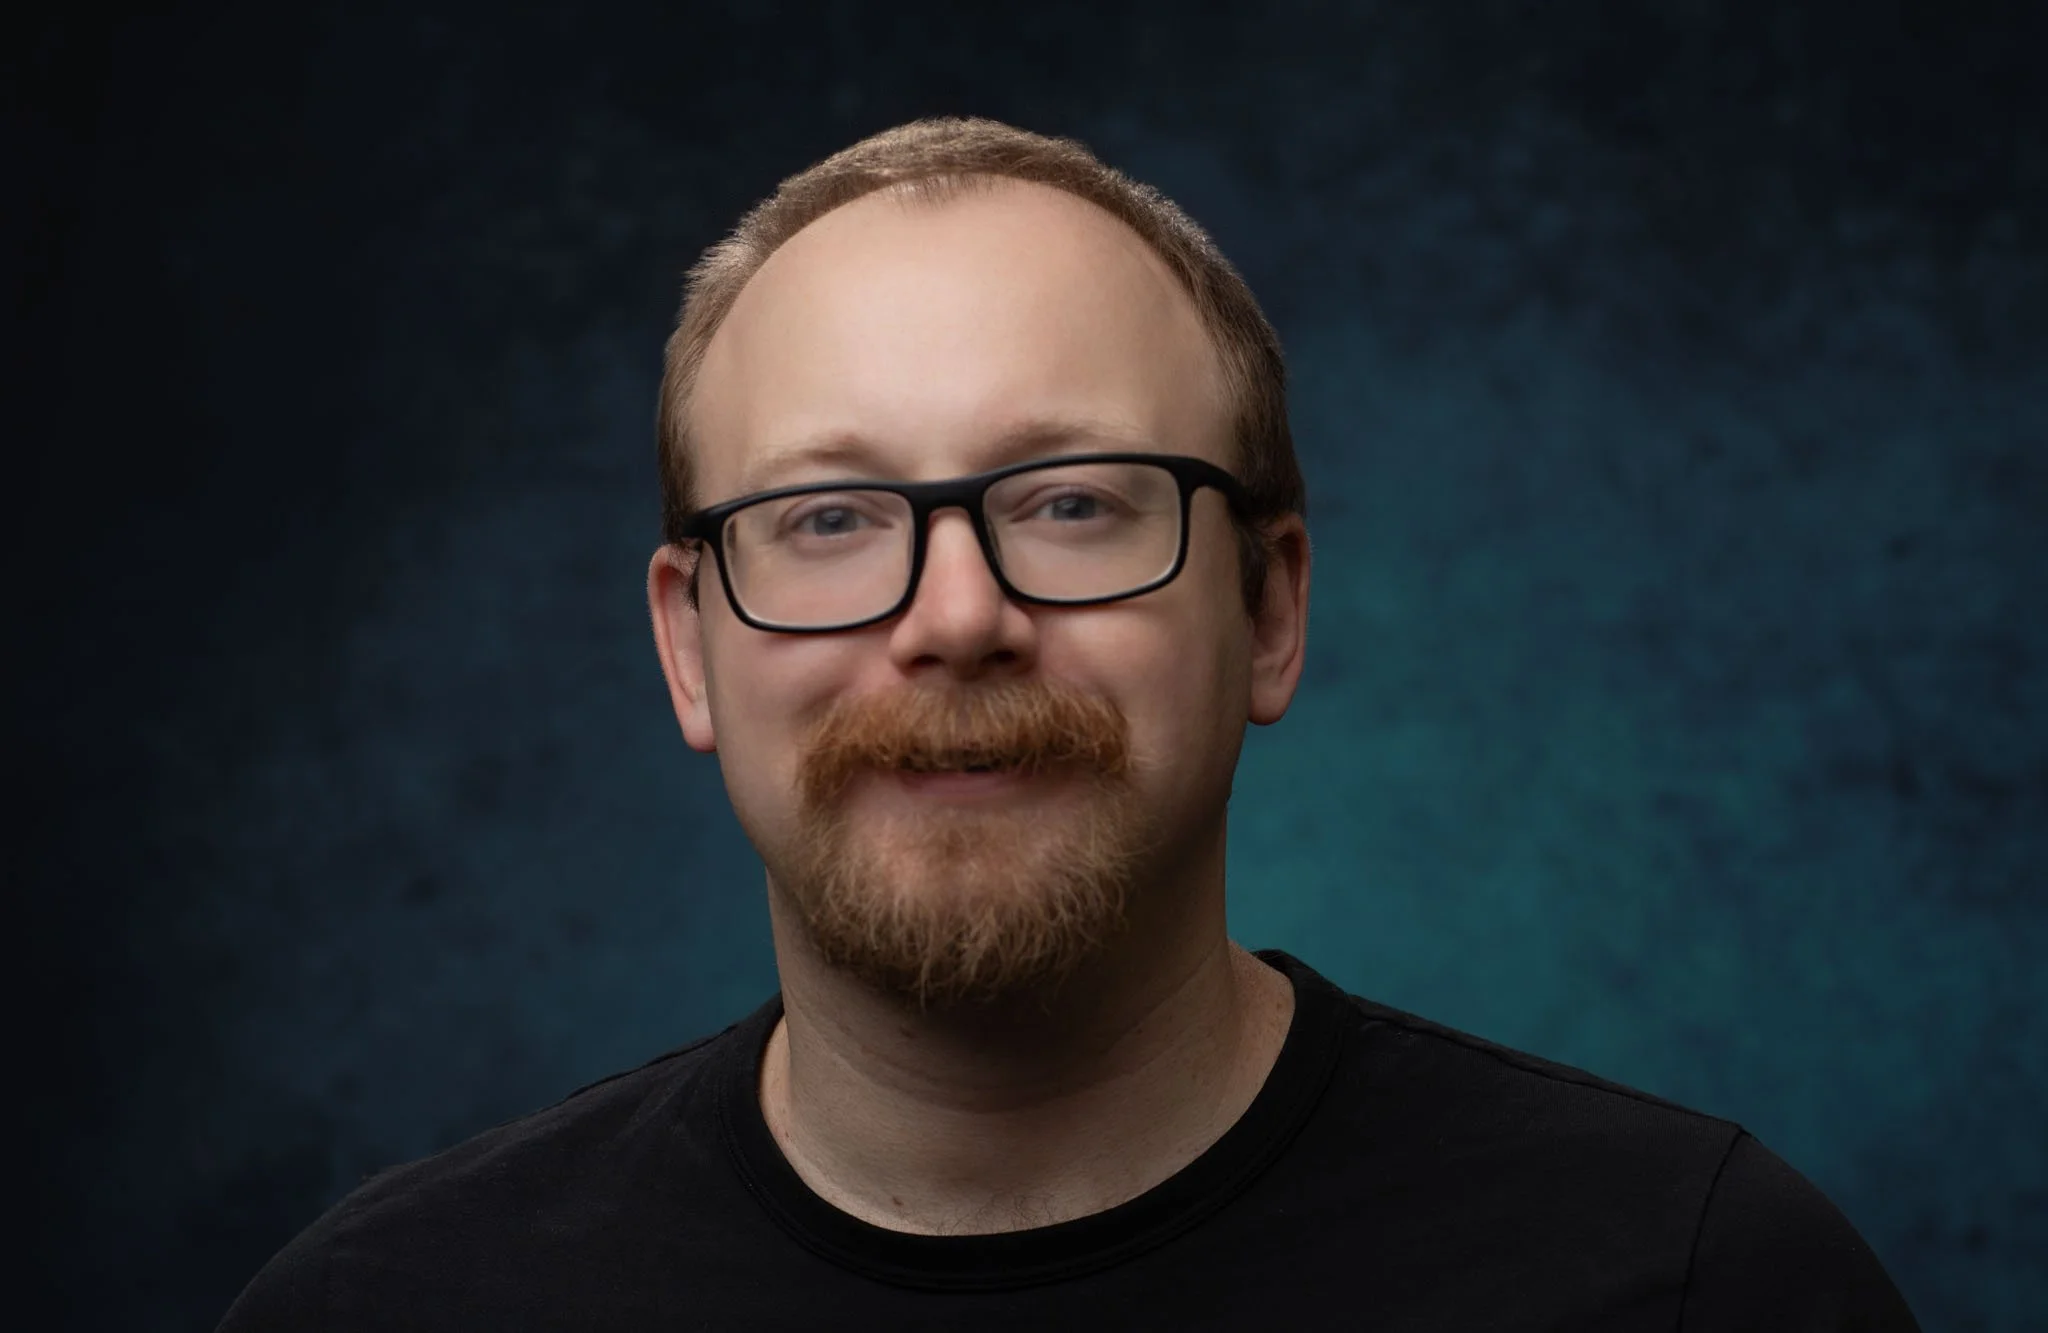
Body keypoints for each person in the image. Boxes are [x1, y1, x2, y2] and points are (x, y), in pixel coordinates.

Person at [219, 117, 1921, 1330]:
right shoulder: (391, 1305)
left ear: (1270, 607)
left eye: (1079, 504)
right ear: (689, 645)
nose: (958, 619)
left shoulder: (1700, 1281)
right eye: (828, 519)